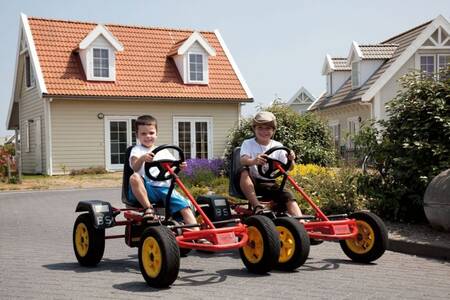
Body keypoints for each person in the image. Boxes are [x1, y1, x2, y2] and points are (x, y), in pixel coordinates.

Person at [128, 115, 198, 229]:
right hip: (147, 189)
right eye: (143, 134)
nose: (148, 136)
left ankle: (197, 234)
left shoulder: (164, 151)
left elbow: (172, 169)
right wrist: (142, 159)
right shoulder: (136, 150)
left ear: (156, 134)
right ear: (137, 135)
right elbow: (135, 167)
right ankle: (148, 209)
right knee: (134, 177)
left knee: (185, 207)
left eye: (151, 133)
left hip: (165, 189)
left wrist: (180, 166)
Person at [239, 111, 302, 216]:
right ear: (254, 129)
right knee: (244, 171)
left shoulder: (278, 146)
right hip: (253, 182)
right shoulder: (248, 143)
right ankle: (257, 206)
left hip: (270, 184)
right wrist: (254, 161)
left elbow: (290, 168)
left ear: (273, 130)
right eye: (260, 128)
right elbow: (243, 160)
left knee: (288, 195)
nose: (264, 131)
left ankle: (301, 222)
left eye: (268, 128)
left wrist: (291, 159)